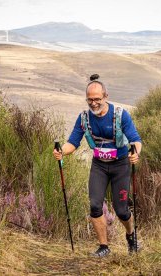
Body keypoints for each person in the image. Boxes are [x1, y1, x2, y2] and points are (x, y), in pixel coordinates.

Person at [53, 74, 142, 257]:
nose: (93, 103)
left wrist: (136, 153)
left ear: (106, 96)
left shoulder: (120, 114)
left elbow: (135, 140)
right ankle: (104, 247)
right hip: (99, 166)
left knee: (122, 211)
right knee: (94, 206)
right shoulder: (84, 117)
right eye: (90, 100)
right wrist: (62, 151)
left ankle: (131, 236)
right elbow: (73, 142)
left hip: (121, 165)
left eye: (97, 99)